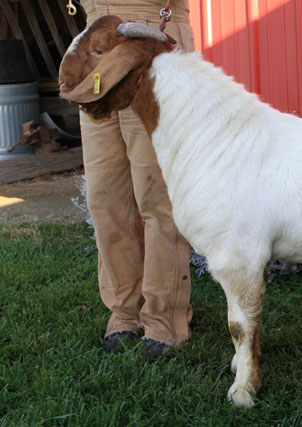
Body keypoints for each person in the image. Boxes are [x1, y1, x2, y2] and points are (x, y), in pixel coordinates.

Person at [76, 0, 195, 357]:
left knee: (155, 192)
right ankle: (124, 313)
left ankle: (165, 318)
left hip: (150, 36)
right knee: (105, 194)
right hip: (96, 39)